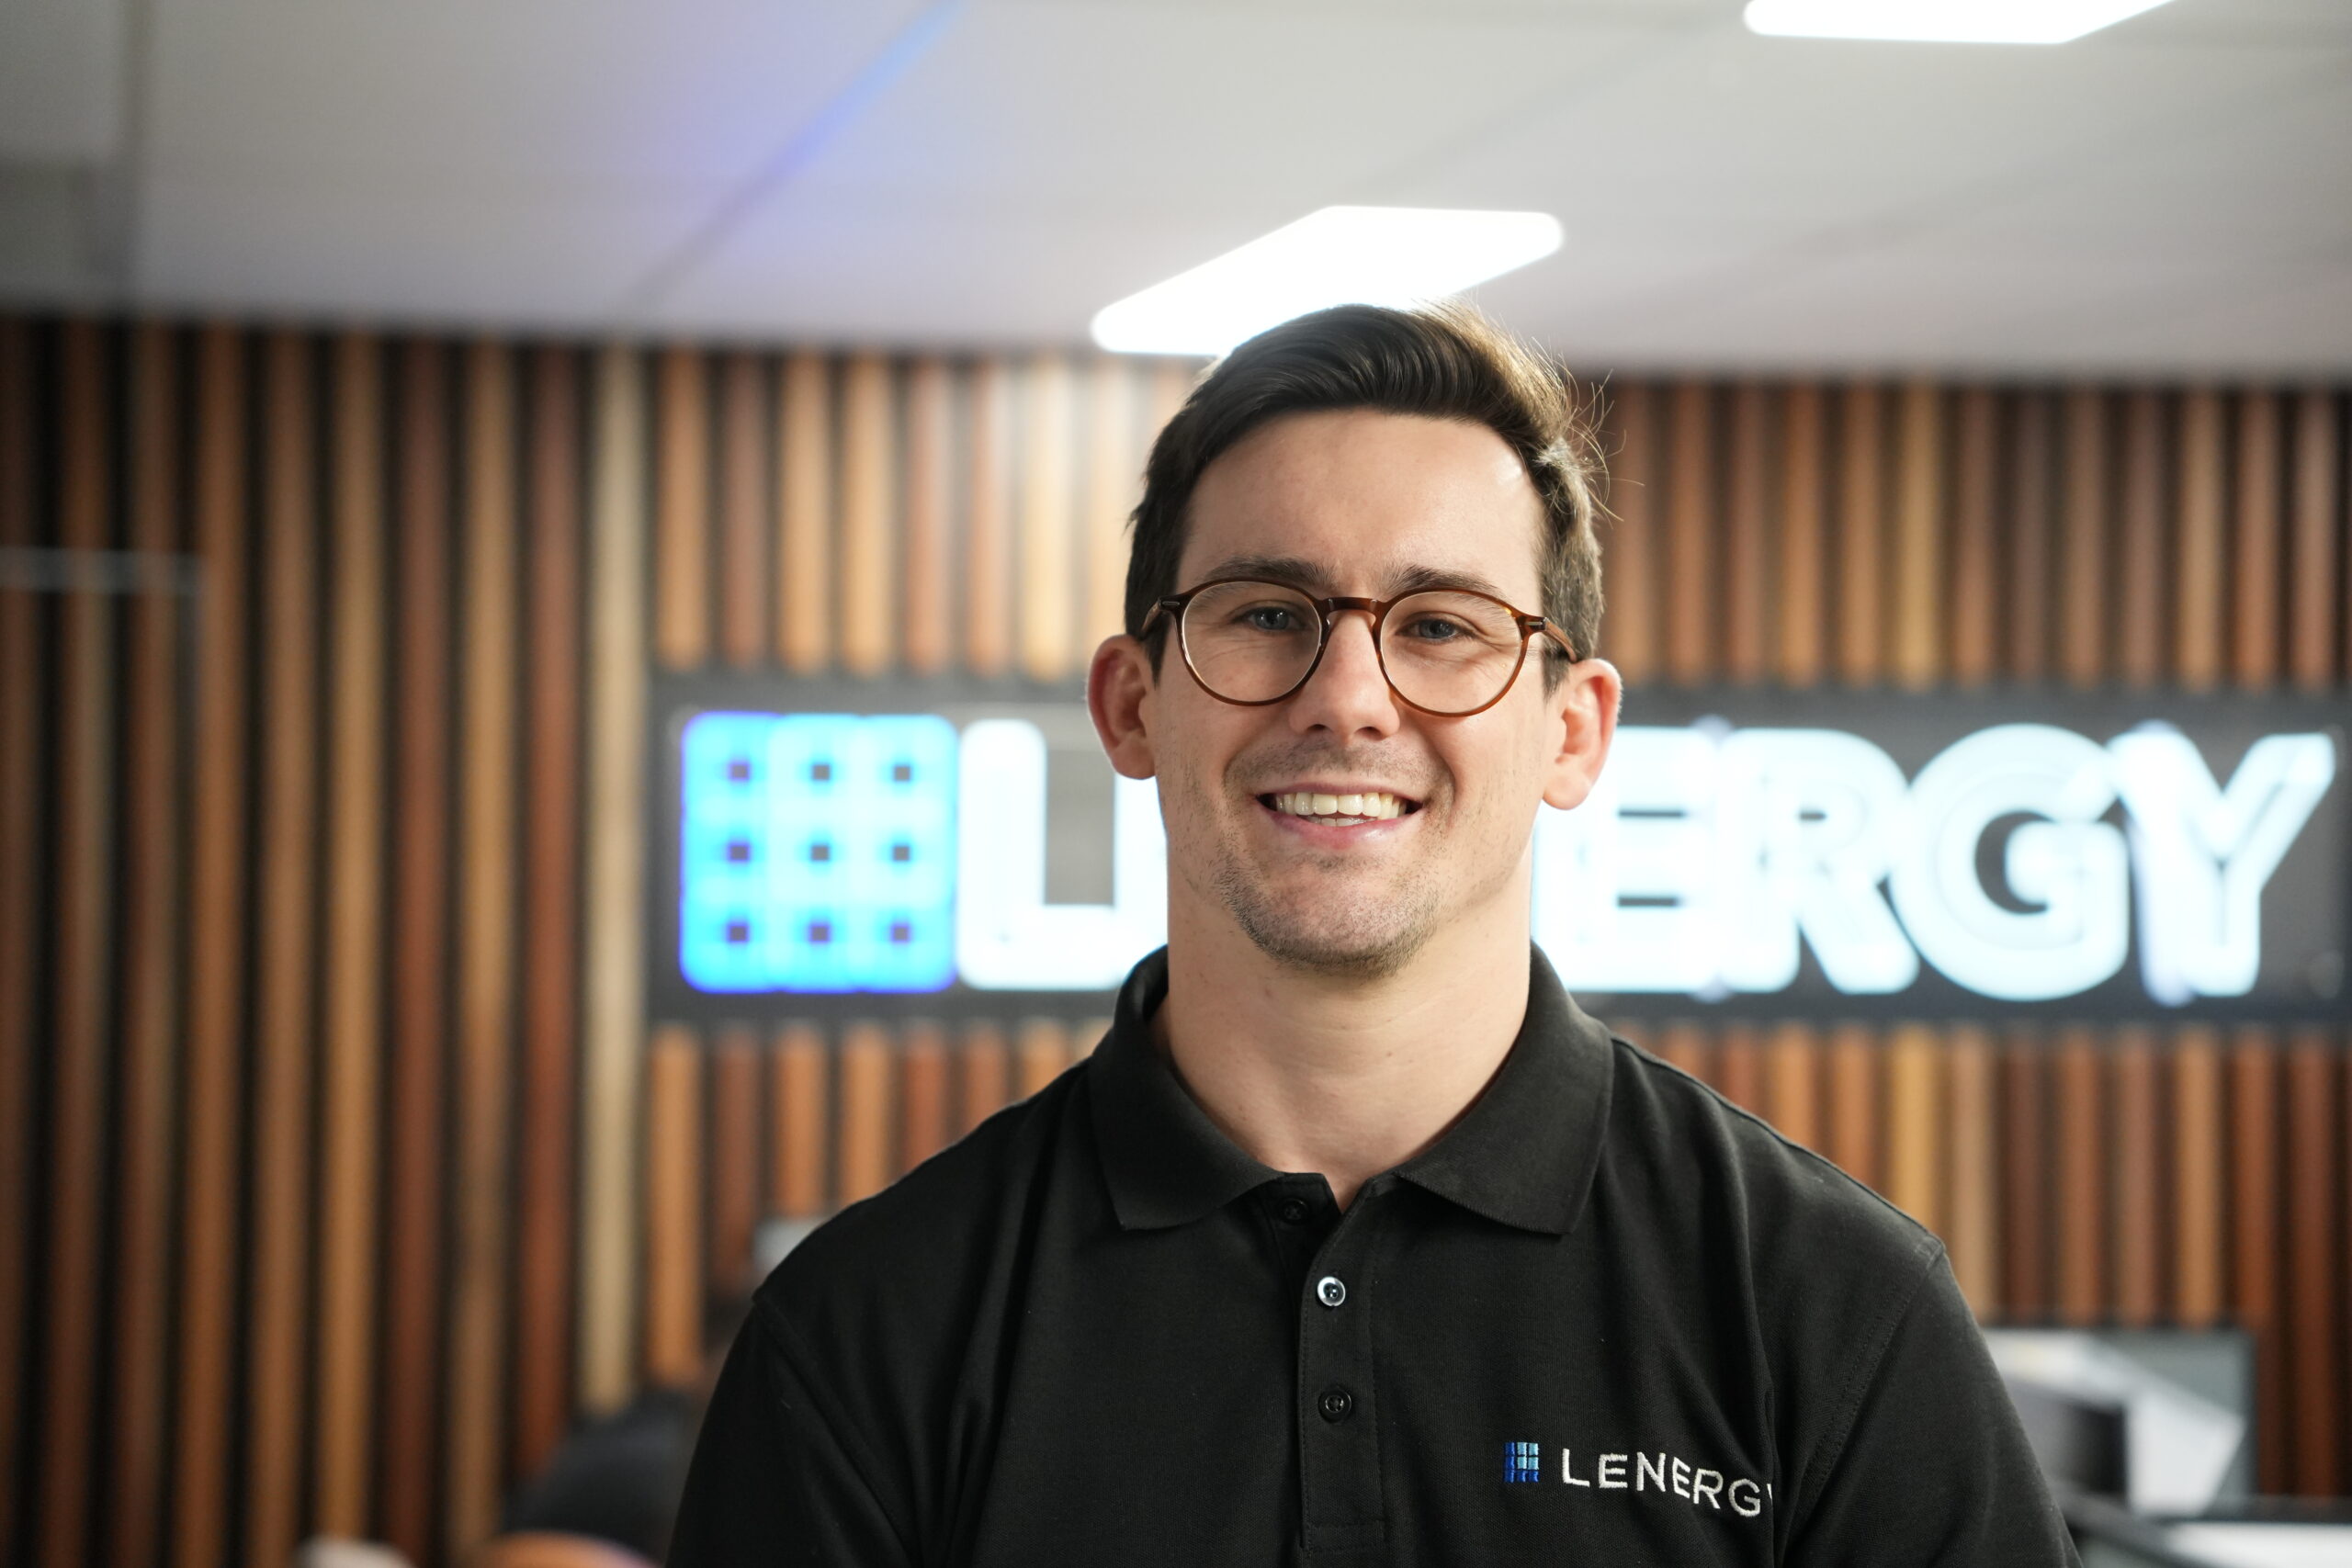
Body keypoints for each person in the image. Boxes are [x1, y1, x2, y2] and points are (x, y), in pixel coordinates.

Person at [668, 302, 2076, 1565]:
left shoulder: (1830, 1309)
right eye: (1268, 613)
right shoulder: (868, 1332)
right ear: (1132, 707)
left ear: (1571, 730)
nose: (1348, 696)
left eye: (1444, 626)